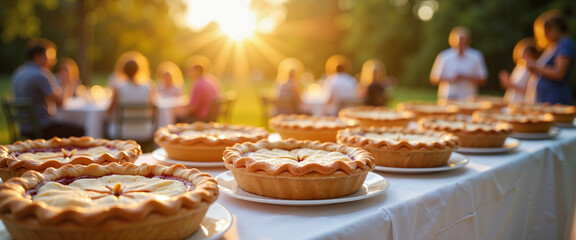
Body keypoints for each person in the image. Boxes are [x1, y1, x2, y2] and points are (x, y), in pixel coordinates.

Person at [11, 38, 84, 139]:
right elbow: (60, 103)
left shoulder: (18, 73)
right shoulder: (41, 75)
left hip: (23, 128)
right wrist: (67, 81)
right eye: (50, 57)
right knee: (81, 131)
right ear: (38, 56)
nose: (53, 61)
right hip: (41, 129)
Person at [528, 10, 575, 105]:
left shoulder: (565, 44)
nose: (545, 35)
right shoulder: (554, 46)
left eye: (547, 31)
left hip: (555, 99)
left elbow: (559, 73)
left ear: (555, 28)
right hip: (546, 98)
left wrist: (536, 66)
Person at [430, 26, 488, 101]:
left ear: (467, 40)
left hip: (469, 98)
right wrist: (451, 79)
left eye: (462, 40)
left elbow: (483, 79)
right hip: (447, 97)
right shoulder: (444, 56)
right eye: (458, 40)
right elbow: (434, 78)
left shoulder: (476, 56)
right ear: (452, 40)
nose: (460, 43)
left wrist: (466, 77)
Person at [107, 59, 156, 141]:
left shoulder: (118, 88)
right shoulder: (147, 87)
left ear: (123, 71)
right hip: (145, 130)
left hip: (122, 131)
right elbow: (152, 110)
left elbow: (109, 111)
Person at [175, 57, 221, 122]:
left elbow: (193, 108)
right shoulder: (212, 80)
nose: (188, 72)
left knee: (176, 116)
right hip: (211, 117)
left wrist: (178, 113)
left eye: (190, 70)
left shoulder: (198, 84)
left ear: (196, 71)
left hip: (202, 119)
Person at [499, 38, 539, 104]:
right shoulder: (519, 67)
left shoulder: (534, 68)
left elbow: (531, 91)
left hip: (522, 103)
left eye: (525, 52)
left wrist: (511, 85)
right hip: (511, 101)